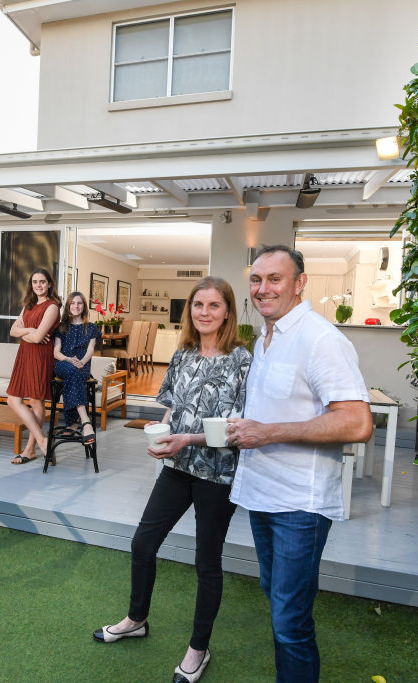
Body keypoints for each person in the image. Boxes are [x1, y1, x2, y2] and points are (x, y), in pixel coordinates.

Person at [94, 276, 252, 683]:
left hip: (218, 475)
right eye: (198, 305)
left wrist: (188, 439)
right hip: (177, 468)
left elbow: (238, 426)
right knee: (143, 543)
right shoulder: (182, 355)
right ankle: (136, 619)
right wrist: (163, 437)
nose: (204, 312)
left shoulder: (243, 360)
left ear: (228, 312)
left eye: (214, 305)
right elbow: (172, 409)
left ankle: (198, 650)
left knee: (206, 563)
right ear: (190, 312)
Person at [226, 246, 372, 683]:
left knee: (290, 621)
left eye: (275, 278)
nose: (263, 288)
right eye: (256, 279)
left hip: (300, 506)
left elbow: (357, 422)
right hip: (262, 495)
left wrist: (267, 432)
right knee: (277, 601)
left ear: (300, 283)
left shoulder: (321, 339)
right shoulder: (266, 338)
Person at [6, 268, 61, 464]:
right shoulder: (28, 305)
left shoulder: (52, 306)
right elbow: (13, 331)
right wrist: (29, 329)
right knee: (13, 399)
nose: (38, 285)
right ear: (31, 284)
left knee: (36, 402)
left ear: (49, 284)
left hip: (40, 356)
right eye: (35, 282)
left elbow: (39, 339)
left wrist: (27, 333)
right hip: (24, 355)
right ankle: (42, 440)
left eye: (42, 282)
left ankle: (30, 450)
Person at [53, 291, 101, 445]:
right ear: (68, 307)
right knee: (73, 372)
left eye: (79, 303)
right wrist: (69, 360)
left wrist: (81, 362)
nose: (76, 306)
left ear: (84, 306)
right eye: (72, 303)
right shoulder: (61, 327)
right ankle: (85, 421)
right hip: (63, 364)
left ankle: (72, 423)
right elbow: (56, 352)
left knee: (75, 374)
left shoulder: (91, 327)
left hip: (82, 366)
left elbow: (90, 350)